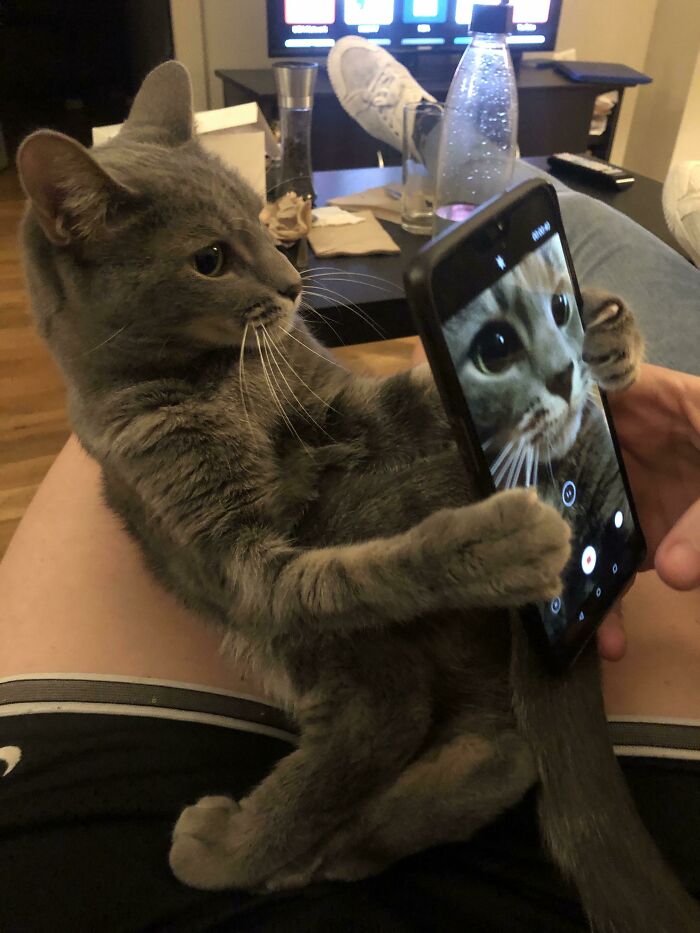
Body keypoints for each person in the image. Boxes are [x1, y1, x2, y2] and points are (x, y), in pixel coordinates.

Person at [1, 46, 699, 933]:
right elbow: (259, 582)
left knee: (453, 343)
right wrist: (443, 559)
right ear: (71, 226)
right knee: (546, 207)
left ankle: (429, 135)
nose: (289, 280)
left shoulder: (241, 340)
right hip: (345, 579)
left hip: (399, 545)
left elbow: (370, 419)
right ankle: (431, 134)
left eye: (261, 232)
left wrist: (526, 355)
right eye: (220, 259)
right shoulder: (143, 417)